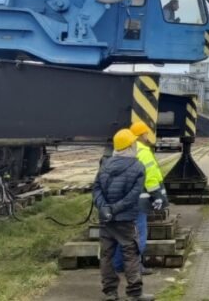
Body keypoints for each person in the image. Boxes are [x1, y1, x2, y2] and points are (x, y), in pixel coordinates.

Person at [94, 129, 154, 301]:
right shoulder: (137, 167)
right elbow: (133, 196)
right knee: (131, 253)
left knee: (106, 255)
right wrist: (115, 209)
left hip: (106, 220)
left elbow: (96, 189)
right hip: (126, 219)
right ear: (130, 146)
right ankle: (135, 293)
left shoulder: (105, 164)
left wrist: (105, 208)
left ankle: (110, 293)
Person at [114, 121, 166, 277]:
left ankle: (117, 265)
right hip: (139, 201)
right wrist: (157, 196)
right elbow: (149, 177)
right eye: (145, 133)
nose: (147, 135)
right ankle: (136, 266)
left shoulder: (122, 150)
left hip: (122, 200)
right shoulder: (143, 151)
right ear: (142, 134)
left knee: (121, 235)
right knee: (139, 234)